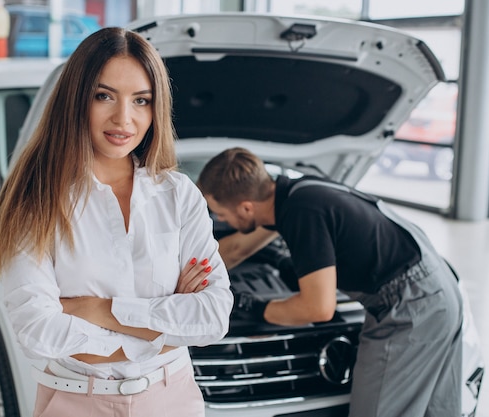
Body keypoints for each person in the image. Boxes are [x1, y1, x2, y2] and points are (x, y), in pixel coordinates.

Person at [0, 27, 233, 417]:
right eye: (104, 96)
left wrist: (97, 309)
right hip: (75, 402)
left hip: (174, 398)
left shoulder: (179, 194)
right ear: (76, 99)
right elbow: (37, 331)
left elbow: (212, 317)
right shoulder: (37, 199)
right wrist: (166, 324)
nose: (124, 118)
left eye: (141, 100)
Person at [197, 147, 463, 417]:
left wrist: (251, 306)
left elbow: (318, 309)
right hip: (438, 289)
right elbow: (236, 250)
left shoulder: (302, 213)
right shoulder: (295, 194)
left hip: (410, 306)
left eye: (219, 213)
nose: (219, 220)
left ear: (246, 207)